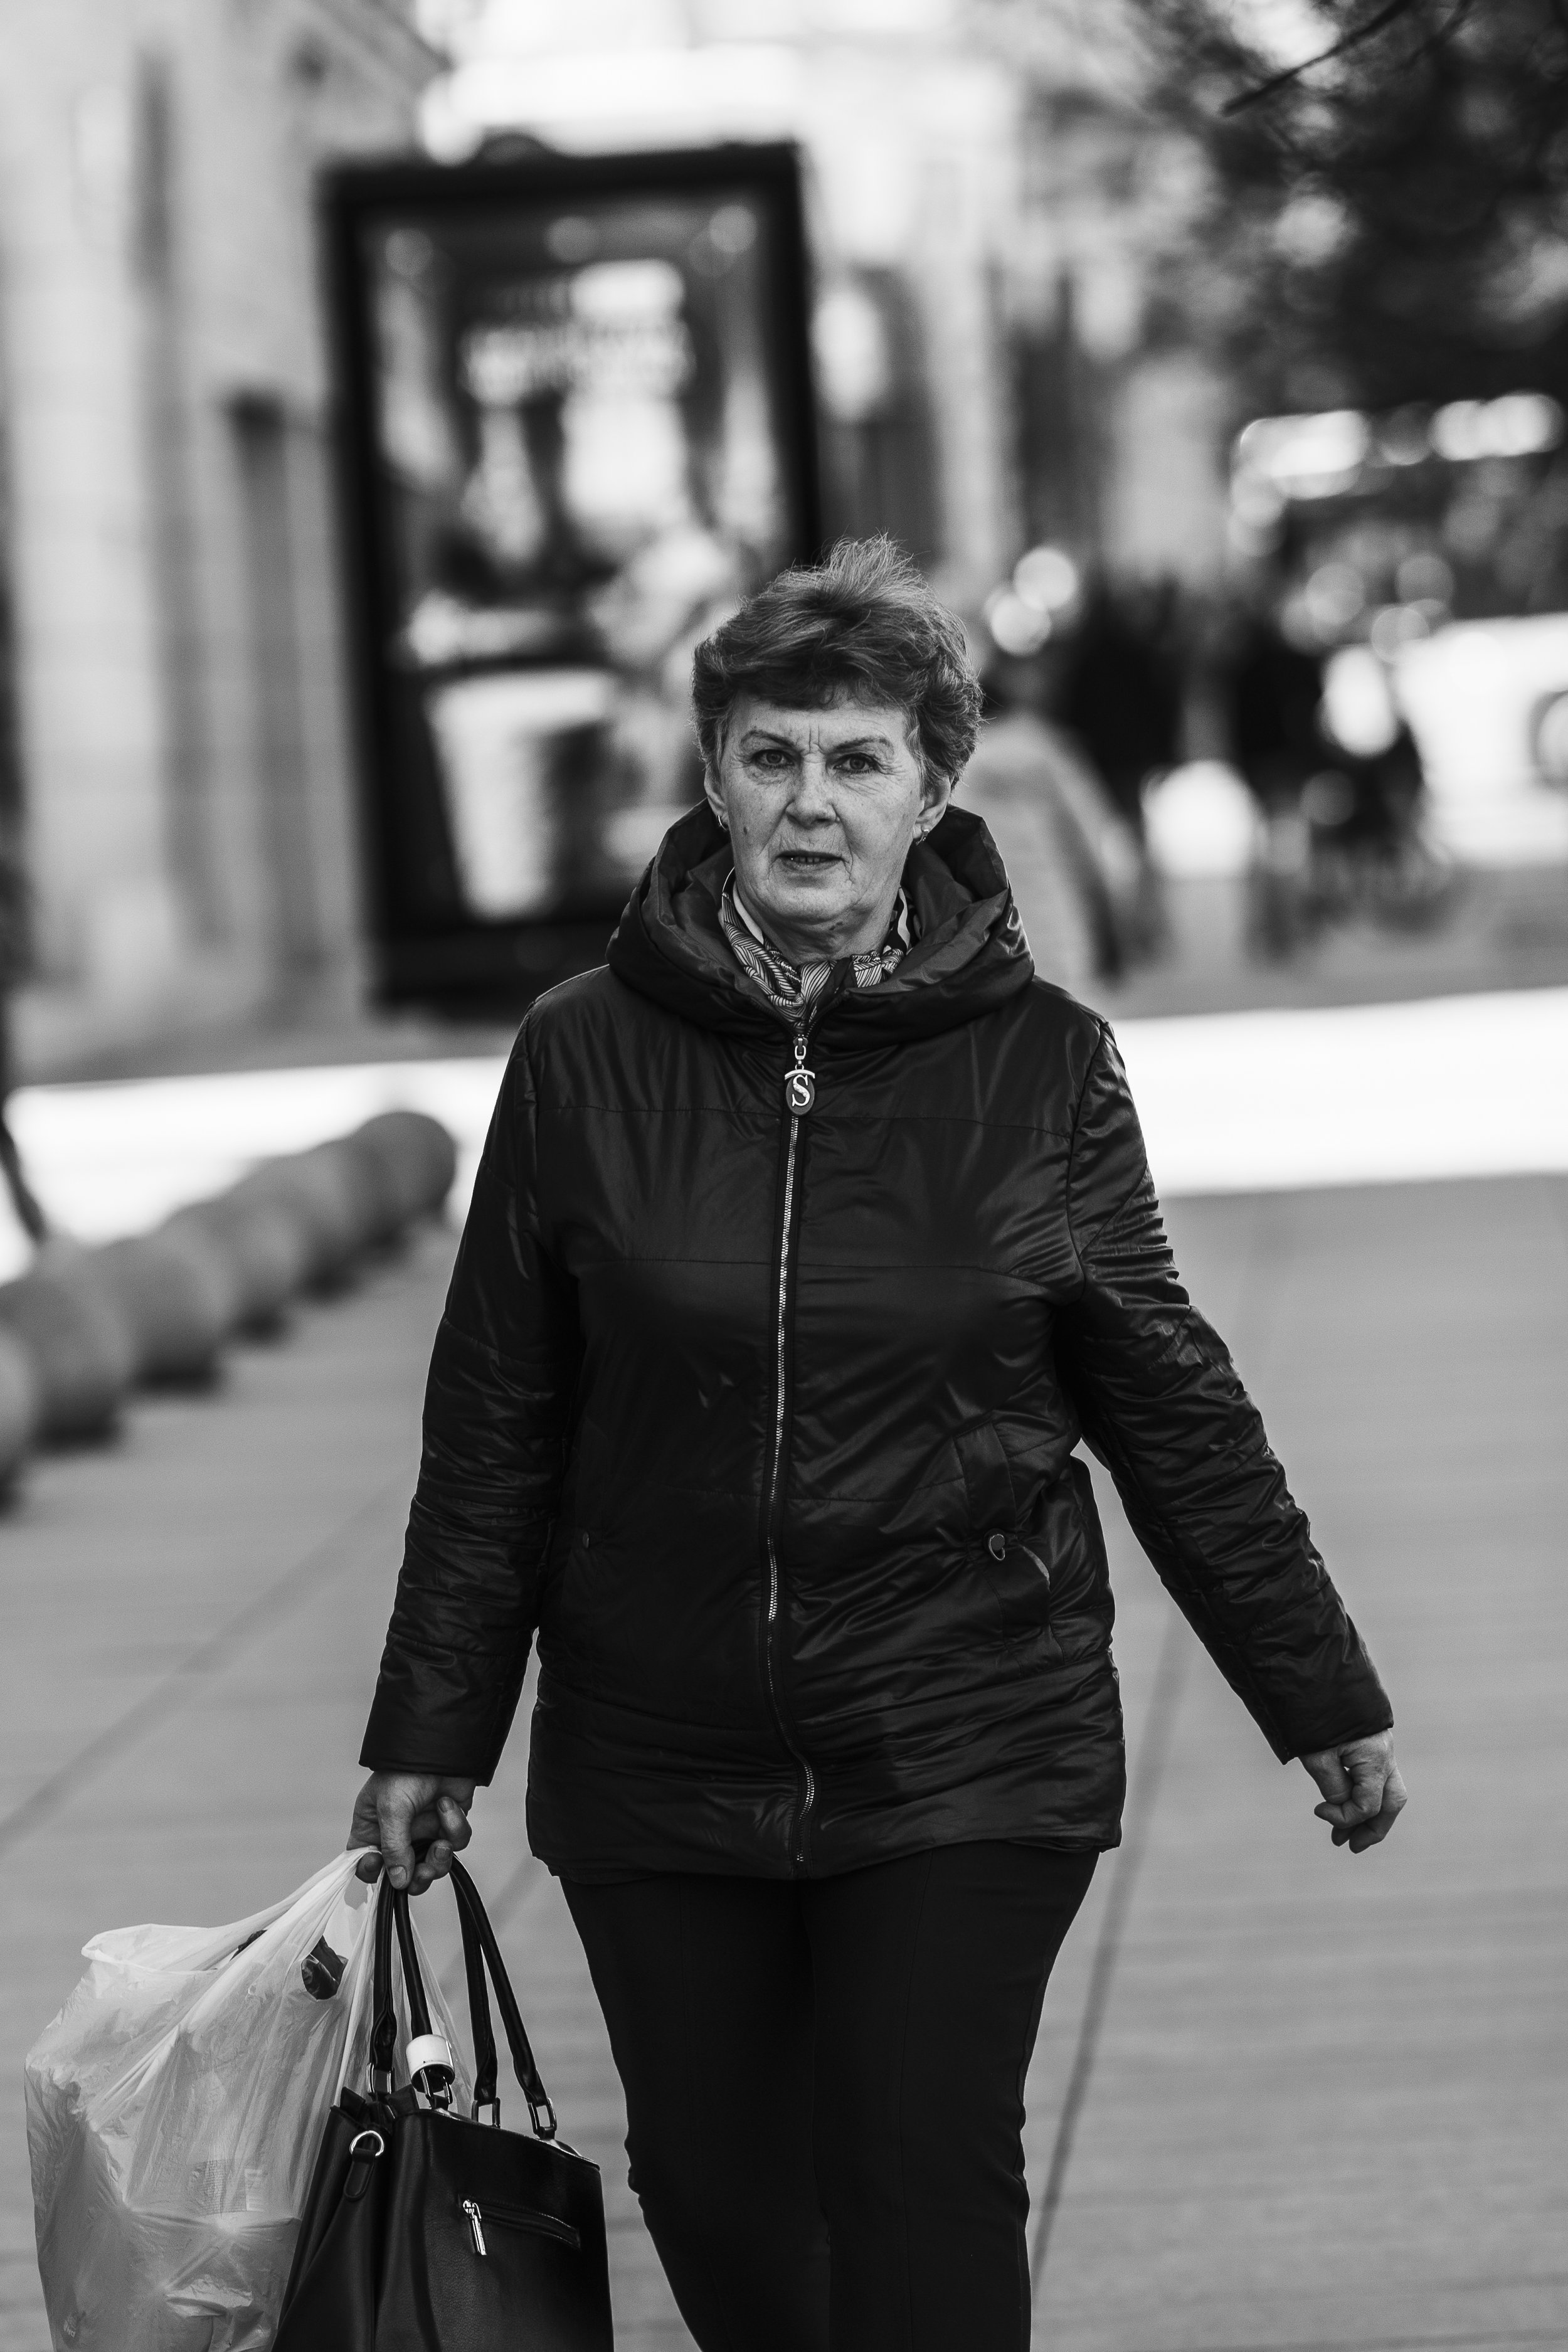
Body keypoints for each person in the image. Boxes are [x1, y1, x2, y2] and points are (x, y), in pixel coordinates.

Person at [349, 538, 1405, 2352]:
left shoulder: (1043, 1067)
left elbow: (1166, 1396)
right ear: (710, 777)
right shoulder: (579, 1060)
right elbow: (496, 1423)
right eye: (770, 756)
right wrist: (430, 1733)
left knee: (919, 2169)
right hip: (659, 1740)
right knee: (713, 2187)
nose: (810, 803)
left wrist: (1314, 1690)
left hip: (960, 1723)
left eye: (854, 760)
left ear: (932, 784)